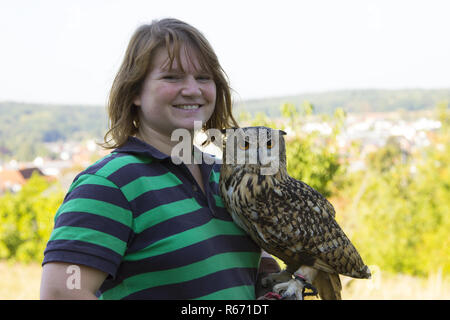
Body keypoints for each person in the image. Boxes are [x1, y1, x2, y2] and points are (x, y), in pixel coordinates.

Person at [40, 18, 279, 300]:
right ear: (135, 92)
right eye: (172, 77)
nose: (193, 89)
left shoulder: (227, 175)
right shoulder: (110, 185)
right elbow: (62, 290)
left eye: (204, 77)